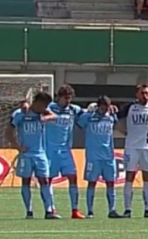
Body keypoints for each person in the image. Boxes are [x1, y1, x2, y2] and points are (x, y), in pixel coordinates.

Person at [6, 92, 58, 219]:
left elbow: (54, 116)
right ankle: (29, 211)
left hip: (40, 153)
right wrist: (17, 146)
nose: (45, 108)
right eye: (44, 105)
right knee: (26, 181)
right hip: (26, 154)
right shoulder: (20, 114)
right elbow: (9, 131)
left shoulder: (42, 113)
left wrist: (44, 118)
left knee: (44, 180)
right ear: (37, 102)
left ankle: (49, 211)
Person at [118, 84, 148, 218]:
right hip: (132, 147)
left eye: (147, 93)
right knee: (129, 178)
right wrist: (123, 131)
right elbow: (114, 118)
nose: (145, 96)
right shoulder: (129, 107)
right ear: (137, 94)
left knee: (147, 179)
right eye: (142, 93)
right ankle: (128, 209)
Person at [77, 96, 121, 219]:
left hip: (108, 156)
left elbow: (116, 123)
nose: (105, 109)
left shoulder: (111, 116)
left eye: (107, 106)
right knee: (92, 183)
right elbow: (79, 123)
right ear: (98, 106)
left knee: (111, 183)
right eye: (103, 106)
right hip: (93, 156)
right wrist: (87, 112)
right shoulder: (89, 117)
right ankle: (90, 211)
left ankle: (112, 210)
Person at [45, 85, 83, 219]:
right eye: (66, 98)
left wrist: (95, 106)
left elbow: (88, 112)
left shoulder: (73, 109)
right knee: (48, 180)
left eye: (70, 98)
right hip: (50, 150)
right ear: (59, 97)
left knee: (73, 177)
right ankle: (50, 209)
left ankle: (75, 210)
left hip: (66, 150)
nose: (68, 101)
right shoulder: (50, 108)